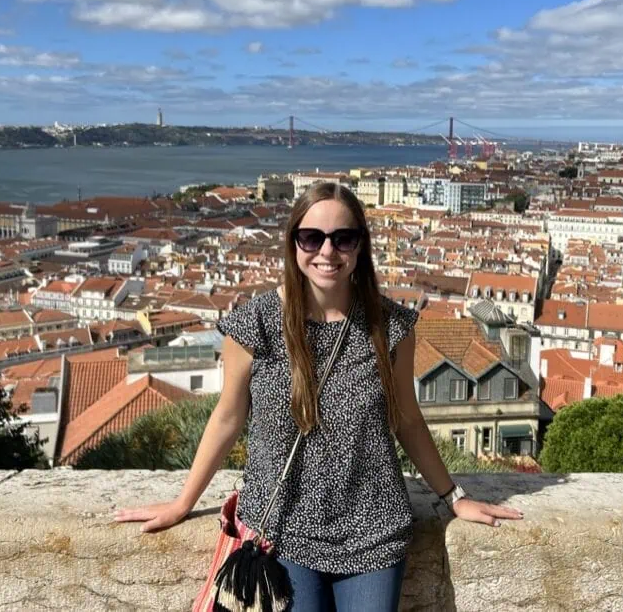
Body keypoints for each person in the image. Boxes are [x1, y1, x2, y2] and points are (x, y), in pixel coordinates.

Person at [115, 182, 524, 611]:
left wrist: (454, 498)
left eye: (342, 238)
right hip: (285, 526)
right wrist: (184, 503)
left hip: (373, 526)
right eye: (312, 238)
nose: (327, 252)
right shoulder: (255, 324)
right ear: (294, 243)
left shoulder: (390, 327)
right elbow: (227, 419)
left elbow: (406, 420)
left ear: (360, 246)